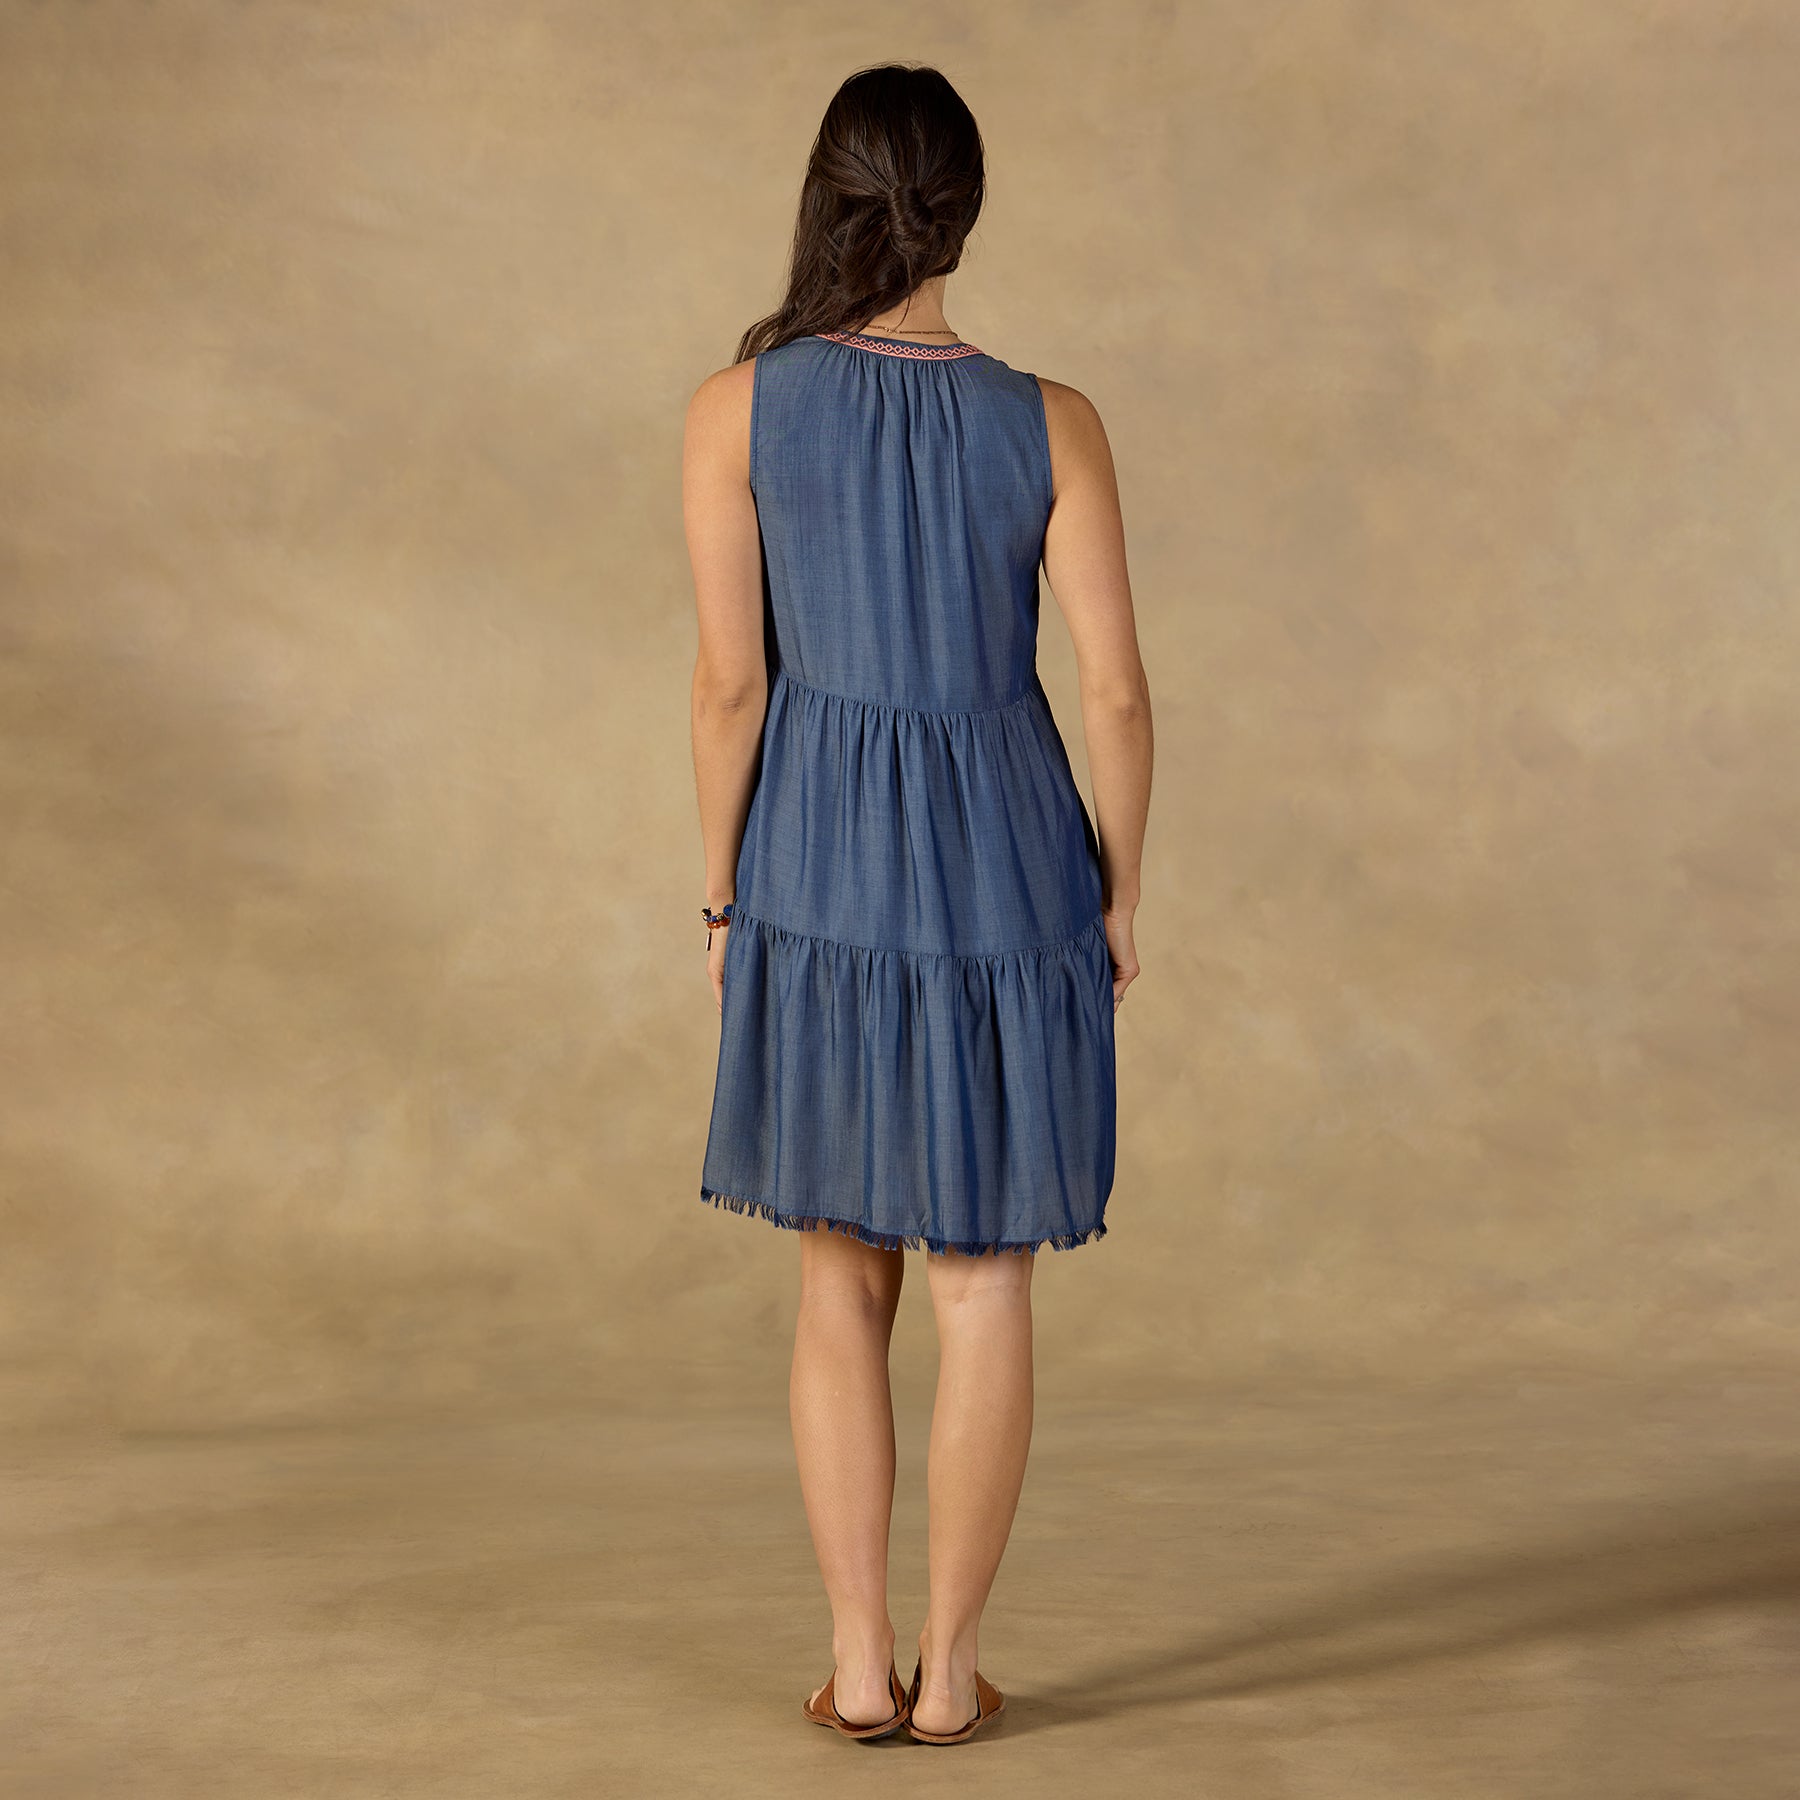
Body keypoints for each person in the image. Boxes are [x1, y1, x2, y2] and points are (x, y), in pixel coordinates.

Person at [683, 62, 1153, 1746]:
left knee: (841, 1279)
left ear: (832, 198)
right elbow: (1115, 695)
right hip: (1010, 862)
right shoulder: (1055, 420)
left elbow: (732, 688)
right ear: (965, 212)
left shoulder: (737, 410)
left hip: (820, 859)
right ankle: (954, 1677)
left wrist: (724, 896)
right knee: (985, 1283)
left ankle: (862, 1662)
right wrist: (1116, 892)